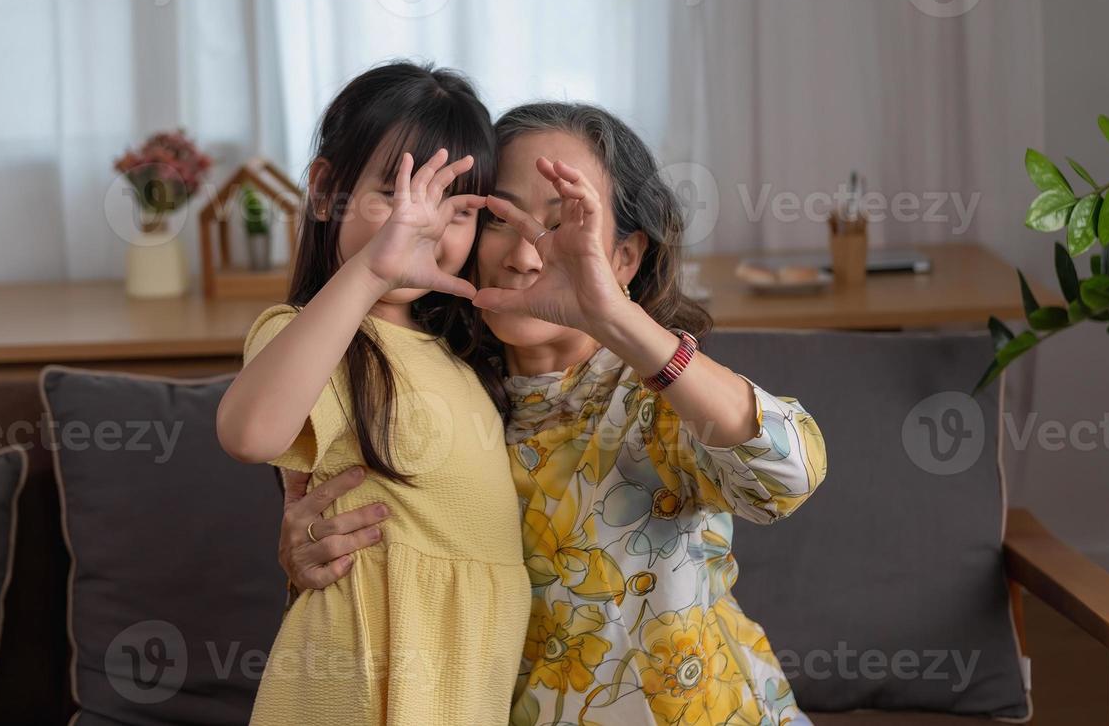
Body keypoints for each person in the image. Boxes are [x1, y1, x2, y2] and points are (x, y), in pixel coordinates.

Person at [278, 101, 827, 725]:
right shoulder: (429, 399)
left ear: (623, 259)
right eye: (498, 218)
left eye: (565, 224)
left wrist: (613, 318)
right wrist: (307, 560)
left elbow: (787, 478)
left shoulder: (652, 398)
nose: (525, 255)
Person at [216, 62, 531, 725]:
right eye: (396, 196)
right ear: (327, 192)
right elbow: (249, 434)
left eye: (459, 209)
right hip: (360, 685)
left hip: (461, 688)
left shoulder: (465, 359)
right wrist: (373, 266)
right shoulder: (318, 336)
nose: (423, 227)